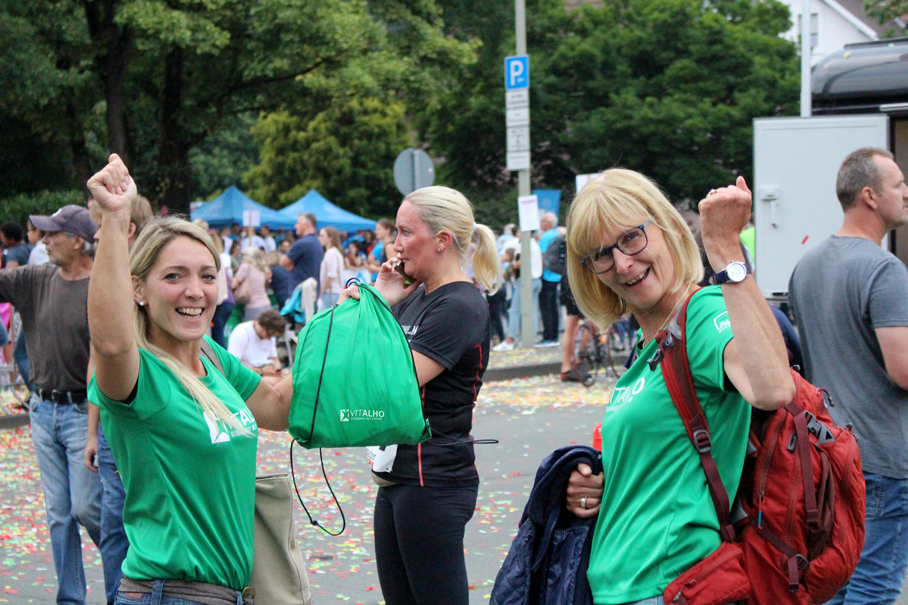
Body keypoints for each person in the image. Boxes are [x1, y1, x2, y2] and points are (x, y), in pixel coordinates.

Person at [564, 169, 794, 605]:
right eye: (601, 254)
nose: (623, 264)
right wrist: (598, 485)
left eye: (631, 238)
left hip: (672, 587)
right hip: (625, 587)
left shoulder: (702, 315)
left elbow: (773, 387)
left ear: (665, 226)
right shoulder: (647, 340)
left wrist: (726, 250)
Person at [85, 154, 293, 605]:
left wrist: (346, 323)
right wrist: (117, 219)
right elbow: (110, 344)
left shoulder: (212, 358)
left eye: (206, 276)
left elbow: (278, 407)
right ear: (138, 290)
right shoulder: (139, 373)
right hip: (170, 595)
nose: (195, 291)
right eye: (173, 277)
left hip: (229, 594)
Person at [340, 185, 500, 605]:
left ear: (442, 240)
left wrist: (370, 307)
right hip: (396, 476)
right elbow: (361, 363)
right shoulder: (414, 299)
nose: (395, 245)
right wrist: (381, 297)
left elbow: (389, 382)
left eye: (405, 232)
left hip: (434, 479)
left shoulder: (461, 305)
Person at [789, 147, 908, 605]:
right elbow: (902, 370)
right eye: (897, 183)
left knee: (834, 588)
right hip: (880, 457)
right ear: (870, 196)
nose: (905, 191)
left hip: (826, 457)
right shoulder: (884, 269)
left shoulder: (807, 267)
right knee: (873, 589)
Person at [0, 204, 104, 605]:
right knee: (58, 514)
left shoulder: (101, 288)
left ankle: (130, 572)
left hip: (82, 412)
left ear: (78, 241)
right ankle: (70, 598)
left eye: (51, 235)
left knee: (87, 509)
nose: (43, 241)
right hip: (42, 409)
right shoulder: (35, 278)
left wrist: (95, 428)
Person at [85, 193, 154, 605]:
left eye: (101, 225)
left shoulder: (139, 280)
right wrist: (93, 431)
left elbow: (106, 351)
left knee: (128, 523)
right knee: (114, 528)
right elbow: (100, 358)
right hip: (116, 422)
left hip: (146, 417)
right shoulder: (109, 281)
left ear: (126, 228)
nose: (95, 235)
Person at [492, 239, 542, 351]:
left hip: (525, 281)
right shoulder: (535, 245)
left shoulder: (524, 244)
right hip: (536, 279)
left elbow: (521, 262)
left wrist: (512, 266)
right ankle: (531, 337)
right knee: (532, 310)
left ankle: (510, 340)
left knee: (514, 310)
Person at [227, 310, 286, 386]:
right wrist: (260, 371)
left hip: (263, 372)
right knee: (278, 384)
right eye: (269, 335)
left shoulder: (269, 336)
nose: (269, 339)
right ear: (263, 327)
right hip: (246, 375)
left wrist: (277, 369)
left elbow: (275, 358)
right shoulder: (241, 333)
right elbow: (233, 366)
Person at [280, 212, 322, 289]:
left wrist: (291, 265)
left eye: (298, 223)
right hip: (313, 291)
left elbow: (282, 262)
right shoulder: (317, 242)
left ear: (307, 225)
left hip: (300, 292)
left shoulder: (302, 243)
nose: (295, 226)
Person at [537, 212, 561, 345]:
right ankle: (555, 335)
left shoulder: (546, 237)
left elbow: (543, 257)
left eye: (543, 221)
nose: (541, 223)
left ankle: (548, 336)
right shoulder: (557, 235)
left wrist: (538, 273)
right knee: (554, 307)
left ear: (549, 224)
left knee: (545, 307)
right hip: (556, 274)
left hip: (546, 276)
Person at [233, 246, 272, 321]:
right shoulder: (261, 269)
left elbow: (234, 284)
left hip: (253, 306)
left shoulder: (245, 267)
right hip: (266, 304)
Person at [317, 226, 344, 309]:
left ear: (330, 238)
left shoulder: (330, 253)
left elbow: (331, 275)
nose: (319, 238)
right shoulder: (337, 252)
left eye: (322, 236)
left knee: (323, 319)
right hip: (336, 291)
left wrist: (323, 290)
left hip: (330, 292)